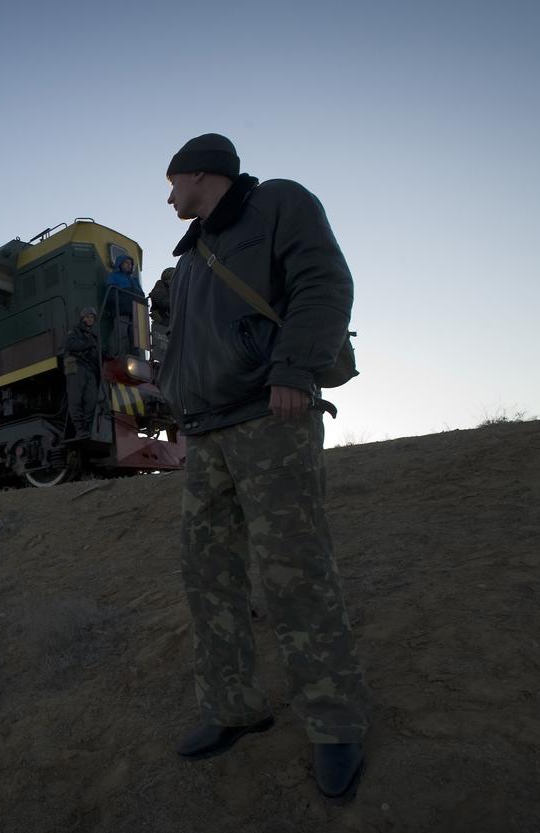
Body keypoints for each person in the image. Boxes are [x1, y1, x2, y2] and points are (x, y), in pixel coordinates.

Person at [157, 133, 369, 799]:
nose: (168, 197)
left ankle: (335, 725)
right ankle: (236, 708)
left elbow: (325, 282)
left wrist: (296, 368)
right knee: (207, 574)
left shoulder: (277, 204)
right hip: (209, 435)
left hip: (272, 417)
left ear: (200, 172)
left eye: (173, 182)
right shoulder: (190, 260)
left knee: (295, 572)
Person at [64, 306, 101, 439]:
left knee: (91, 400)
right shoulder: (75, 331)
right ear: (82, 318)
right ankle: (80, 429)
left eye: (92, 317)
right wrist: (87, 345)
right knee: (76, 399)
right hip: (76, 366)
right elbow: (70, 345)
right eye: (88, 316)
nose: (90, 319)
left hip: (90, 369)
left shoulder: (94, 336)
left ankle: (88, 428)